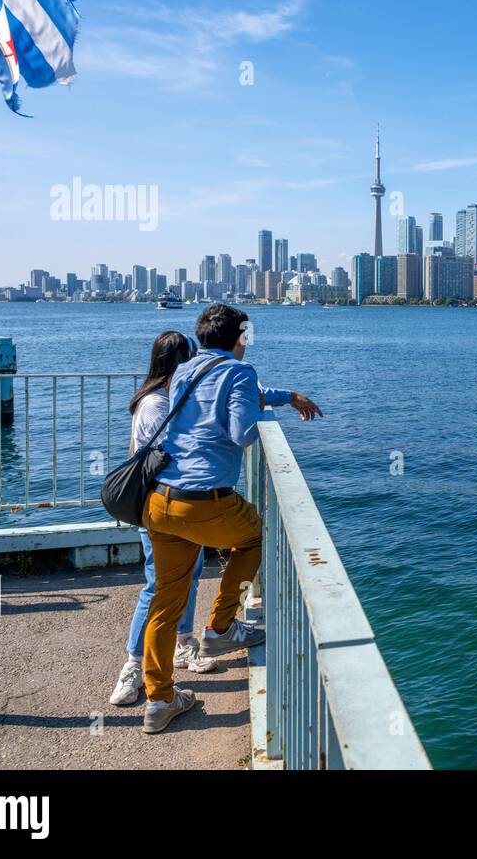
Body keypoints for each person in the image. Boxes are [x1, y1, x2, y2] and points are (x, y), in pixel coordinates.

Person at [140, 304, 322, 734]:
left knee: (166, 602)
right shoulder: (240, 372)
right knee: (256, 535)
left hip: (161, 501)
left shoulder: (185, 370)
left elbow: (225, 395)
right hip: (205, 501)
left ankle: (159, 700)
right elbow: (242, 429)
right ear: (241, 335)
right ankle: (221, 627)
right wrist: (258, 412)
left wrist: (285, 395)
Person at [109, 331, 216, 707]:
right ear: (178, 363)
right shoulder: (156, 404)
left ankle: (183, 644)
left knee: (190, 576)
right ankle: (133, 667)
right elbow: (175, 451)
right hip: (160, 508)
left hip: (179, 504)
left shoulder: (168, 398)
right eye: (189, 360)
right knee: (157, 586)